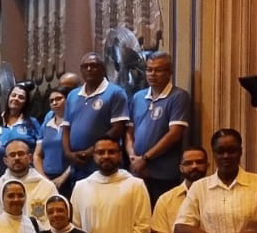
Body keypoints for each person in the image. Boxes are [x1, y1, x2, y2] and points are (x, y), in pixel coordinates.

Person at [126, 53, 193, 202]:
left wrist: (145, 158)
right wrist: (133, 157)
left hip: (163, 173)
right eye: (149, 70)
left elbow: (174, 134)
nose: (152, 74)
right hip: (138, 171)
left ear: (169, 72)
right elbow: (129, 132)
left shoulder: (178, 96)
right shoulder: (138, 97)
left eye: (158, 70)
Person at [61, 54, 130, 183]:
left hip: (102, 162)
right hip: (77, 164)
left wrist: (91, 152)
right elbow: (66, 128)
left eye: (94, 66)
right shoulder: (73, 95)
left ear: (103, 69)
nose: (89, 69)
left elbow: (117, 129)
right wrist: (68, 153)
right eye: (85, 66)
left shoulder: (115, 92)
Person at [0, 139, 58, 224]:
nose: (17, 158)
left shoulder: (46, 186)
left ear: (30, 158)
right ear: (5, 161)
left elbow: (54, 220)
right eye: (12, 155)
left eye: (21, 154)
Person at [35, 88, 72, 195]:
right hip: (47, 178)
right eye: (51, 101)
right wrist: (44, 179)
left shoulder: (73, 123)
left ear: (67, 100)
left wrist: (63, 177)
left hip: (68, 178)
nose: (55, 102)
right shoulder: (46, 125)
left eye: (59, 99)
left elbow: (78, 154)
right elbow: (37, 155)